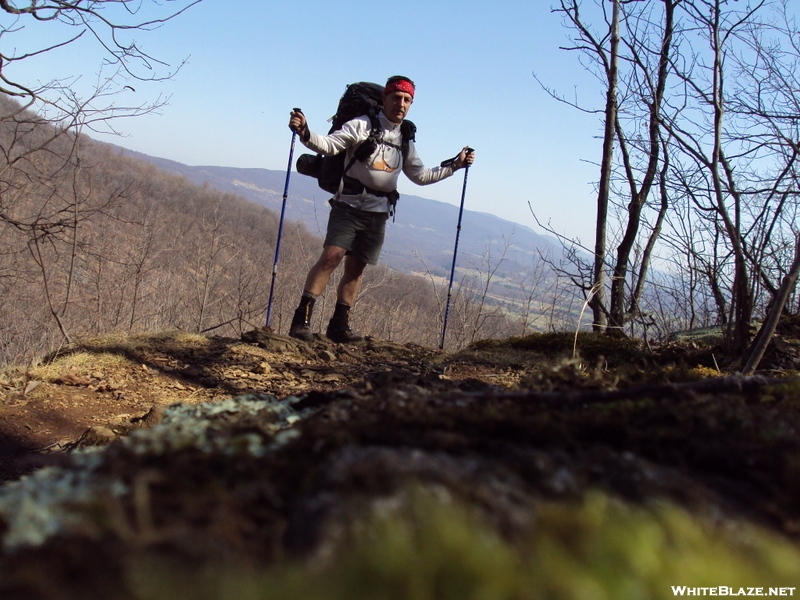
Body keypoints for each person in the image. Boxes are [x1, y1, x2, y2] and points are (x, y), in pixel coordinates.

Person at [287, 75, 474, 343]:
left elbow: (420, 176)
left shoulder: (405, 138)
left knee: (356, 268)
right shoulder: (362, 124)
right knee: (332, 256)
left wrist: (454, 166)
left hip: (378, 212)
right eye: (396, 97)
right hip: (348, 204)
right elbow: (330, 146)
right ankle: (301, 320)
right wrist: (305, 132)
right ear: (385, 98)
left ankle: (339, 326)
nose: (401, 104)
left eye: (407, 100)